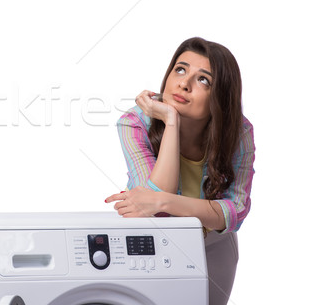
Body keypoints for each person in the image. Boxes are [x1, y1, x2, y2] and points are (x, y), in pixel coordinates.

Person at [105, 37, 255, 305]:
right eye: (181, 69)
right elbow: (158, 215)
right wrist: (171, 122)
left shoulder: (239, 132)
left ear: (220, 96)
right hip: (151, 242)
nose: (184, 84)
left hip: (213, 246)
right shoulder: (133, 123)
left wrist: (165, 200)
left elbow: (235, 212)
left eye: (203, 80)